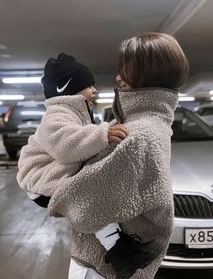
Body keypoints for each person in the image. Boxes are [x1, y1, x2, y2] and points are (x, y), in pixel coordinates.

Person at [47, 32, 189, 279]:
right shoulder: (150, 124)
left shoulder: (138, 134)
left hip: (102, 267)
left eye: (125, 68)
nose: (118, 76)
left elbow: (84, 204)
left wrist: (54, 193)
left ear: (146, 72)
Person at [17, 53, 151, 277]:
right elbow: (65, 145)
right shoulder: (56, 115)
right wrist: (103, 134)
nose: (94, 91)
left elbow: (80, 139)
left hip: (54, 171)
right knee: (88, 196)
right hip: (40, 178)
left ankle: (119, 246)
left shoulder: (75, 113)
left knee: (90, 192)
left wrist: (105, 132)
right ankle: (119, 250)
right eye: (88, 86)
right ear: (67, 89)